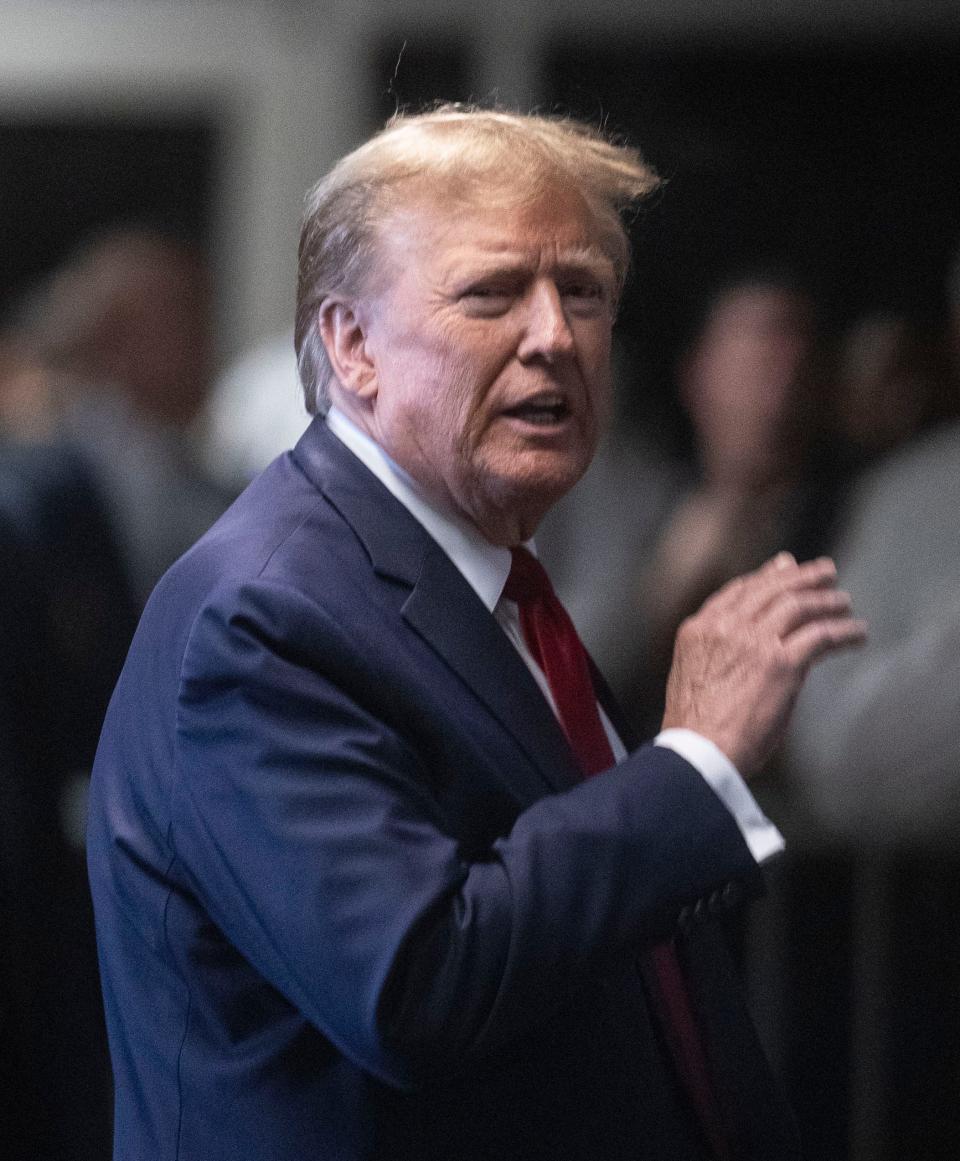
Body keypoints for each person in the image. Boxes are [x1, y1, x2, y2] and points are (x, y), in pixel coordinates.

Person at [87, 107, 865, 1161]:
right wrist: (694, 762)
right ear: (351, 345)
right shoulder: (256, 615)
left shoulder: (489, 578)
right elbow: (416, 985)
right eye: (492, 293)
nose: (554, 336)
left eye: (582, 291)